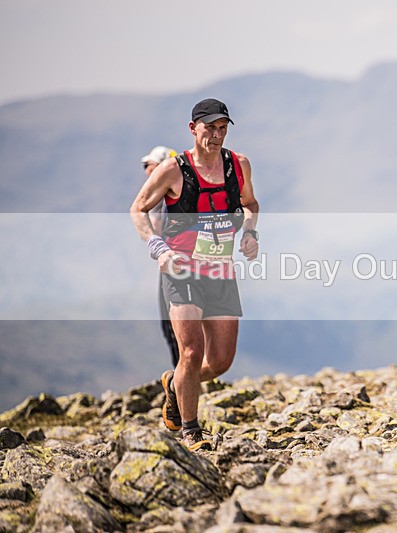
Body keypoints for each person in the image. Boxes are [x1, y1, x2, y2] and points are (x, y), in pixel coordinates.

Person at [130, 98, 260, 451]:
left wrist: (250, 232)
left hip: (220, 270)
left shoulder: (238, 165)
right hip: (182, 270)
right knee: (190, 351)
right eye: (210, 128)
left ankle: (175, 384)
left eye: (222, 128)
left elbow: (250, 204)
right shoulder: (173, 170)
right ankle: (191, 431)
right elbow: (138, 209)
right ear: (193, 129)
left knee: (219, 362)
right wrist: (158, 248)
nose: (216, 135)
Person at [140, 145, 181, 368]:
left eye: (149, 165)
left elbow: (155, 227)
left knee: (172, 324)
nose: (146, 171)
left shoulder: (163, 196)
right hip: (178, 262)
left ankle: (183, 377)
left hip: (173, 264)